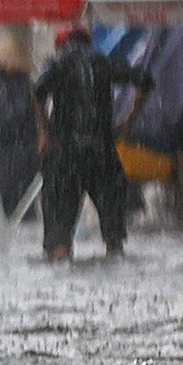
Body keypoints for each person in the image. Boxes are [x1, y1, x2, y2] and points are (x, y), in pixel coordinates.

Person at [32, 25, 153, 261]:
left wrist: (44, 132)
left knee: (58, 239)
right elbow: (145, 80)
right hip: (103, 155)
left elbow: (37, 92)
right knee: (114, 238)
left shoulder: (57, 62)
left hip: (64, 158)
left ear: (61, 46)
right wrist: (127, 122)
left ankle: (62, 262)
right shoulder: (104, 62)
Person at [0, 29, 40, 219]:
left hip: (16, 156)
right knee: (16, 206)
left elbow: (13, 119)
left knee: (18, 207)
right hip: (12, 155)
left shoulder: (18, 88)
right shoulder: (11, 86)